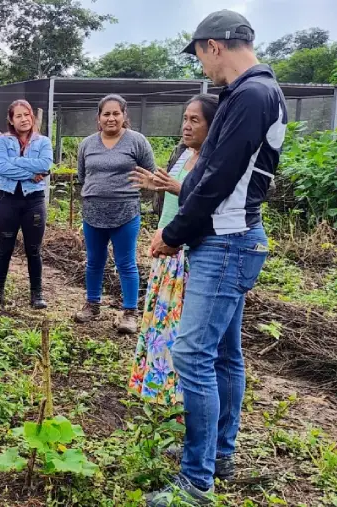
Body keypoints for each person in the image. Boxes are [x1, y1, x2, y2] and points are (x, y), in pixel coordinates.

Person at [146, 11, 286, 506]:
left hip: (227, 241)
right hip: (232, 238)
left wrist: (174, 233)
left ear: (214, 46)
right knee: (225, 354)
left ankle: (196, 481)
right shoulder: (249, 93)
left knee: (192, 355)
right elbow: (209, 170)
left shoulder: (251, 95)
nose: (204, 69)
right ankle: (218, 452)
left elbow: (217, 179)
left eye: (201, 57)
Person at [127, 94, 219, 407]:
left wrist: (178, 188)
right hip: (167, 250)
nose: (186, 126)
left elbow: (204, 202)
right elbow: (175, 198)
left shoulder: (213, 161)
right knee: (160, 327)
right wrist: (157, 185)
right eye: (185, 119)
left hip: (187, 253)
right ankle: (159, 392)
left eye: (195, 120)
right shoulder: (184, 155)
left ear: (213, 125)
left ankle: (179, 401)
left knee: (178, 332)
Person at [74, 95, 156, 334]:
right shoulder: (87, 144)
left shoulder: (137, 141)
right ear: (98, 118)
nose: (111, 118)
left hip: (126, 211)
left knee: (126, 263)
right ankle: (92, 304)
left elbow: (150, 174)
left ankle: (130, 312)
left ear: (124, 116)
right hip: (93, 212)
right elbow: (82, 176)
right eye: (106, 114)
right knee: (94, 261)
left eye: (115, 113)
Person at [0, 100, 53, 309]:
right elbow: (0, 167)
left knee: (34, 249)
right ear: (11, 120)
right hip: (8, 200)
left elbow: (45, 164)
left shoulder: (43, 142)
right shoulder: (3, 142)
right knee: (5, 248)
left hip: (34, 201)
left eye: (27, 115)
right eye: (18, 116)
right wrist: (31, 174)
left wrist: (15, 161)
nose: (24, 119)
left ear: (32, 117)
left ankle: (37, 294)